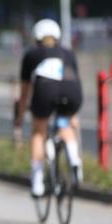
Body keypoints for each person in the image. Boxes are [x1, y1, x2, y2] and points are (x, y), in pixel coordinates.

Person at [13, 19, 82, 196]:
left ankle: (37, 182)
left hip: (45, 91)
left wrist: (20, 115)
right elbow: (74, 80)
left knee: (39, 132)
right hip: (72, 92)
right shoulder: (68, 53)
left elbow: (25, 92)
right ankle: (75, 160)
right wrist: (73, 114)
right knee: (64, 126)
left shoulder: (31, 54)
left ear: (36, 38)